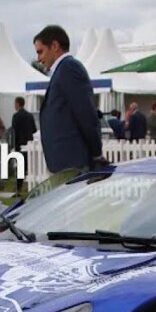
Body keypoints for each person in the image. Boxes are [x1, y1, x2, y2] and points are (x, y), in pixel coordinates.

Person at [32, 24, 104, 192]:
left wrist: (96, 153)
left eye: (40, 51)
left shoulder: (69, 68)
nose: (38, 58)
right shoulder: (62, 71)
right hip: (66, 163)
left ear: (55, 46)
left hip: (72, 163)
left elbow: (86, 114)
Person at [10, 96, 37, 194]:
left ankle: (19, 187)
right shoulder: (30, 115)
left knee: (20, 167)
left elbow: (14, 131)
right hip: (30, 143)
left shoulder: (16, 116)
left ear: (17, 103)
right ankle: (30, 185)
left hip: (20, 144)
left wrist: (13, 144)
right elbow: (34, 129)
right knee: (30, 165)